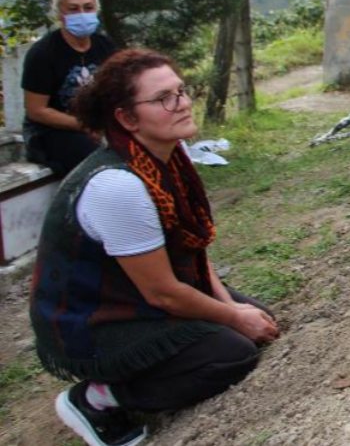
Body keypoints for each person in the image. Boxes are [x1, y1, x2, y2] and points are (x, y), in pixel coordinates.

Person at [29, 49, 279, 446]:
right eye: (164, 98)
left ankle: (161, 360)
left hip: (141, 292)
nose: (181, 104)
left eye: (181, 91)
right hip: (94, 321)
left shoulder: (170, 153)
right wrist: (230, 318)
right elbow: (161, 291)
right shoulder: (117, 185)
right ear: (127, 119)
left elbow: (190, 245)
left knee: (256, 321)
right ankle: (98, 397)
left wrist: (227, 306)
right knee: (231, 353)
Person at [21, 0, 117, 175]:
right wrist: (85, 125)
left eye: (88, 7)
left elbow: (119, 88)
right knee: (98, 162)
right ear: (60, 14)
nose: (82, 14)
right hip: (53, 131)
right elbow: (37, 110)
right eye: (73, 9)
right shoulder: (43, 54)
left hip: (97, 124)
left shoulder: (104, 46)